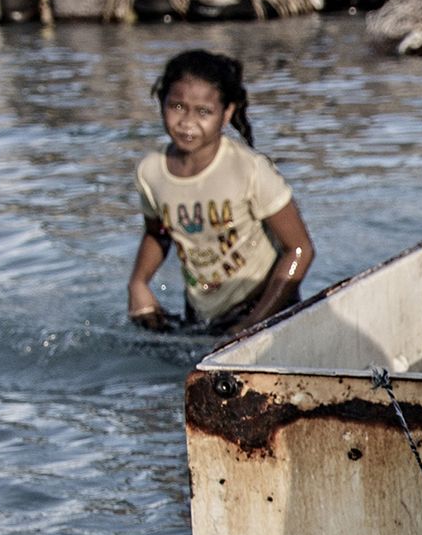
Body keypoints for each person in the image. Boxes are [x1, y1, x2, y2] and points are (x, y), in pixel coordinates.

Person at [126, 50, 313, 334]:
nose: (187, 122)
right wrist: (138, 284)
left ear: (226, 113)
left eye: (203, 112)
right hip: (202, 313)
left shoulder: (248, 169)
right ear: (161, 102)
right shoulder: (151, 172)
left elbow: (300, 249)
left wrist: (252, 324)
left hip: (262, 307)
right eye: (177, 106)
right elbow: (158, 233)